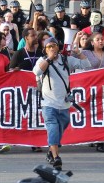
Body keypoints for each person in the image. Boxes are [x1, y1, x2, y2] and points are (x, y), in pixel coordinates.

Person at [34, 38, 90, 169]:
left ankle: (50, 151)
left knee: (61, 128)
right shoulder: (42, 60)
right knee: (52, 127)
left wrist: (78, 53)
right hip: (48, 103)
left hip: (64, 103)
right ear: (45, 50)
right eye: (48, 47)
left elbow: (86, 64)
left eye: (54, 46)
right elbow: (37, 72)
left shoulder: (66, 60)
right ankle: (56, 157)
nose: (52, 48)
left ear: (58, 47)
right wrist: (48, 59)